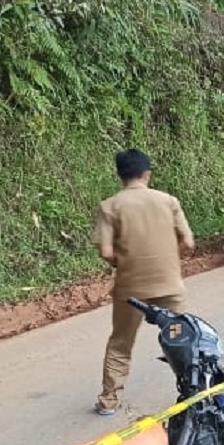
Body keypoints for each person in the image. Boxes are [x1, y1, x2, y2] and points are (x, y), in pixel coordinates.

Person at [92, 149, 196, 416]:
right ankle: (192, 393)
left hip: (130, 289)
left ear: (120, 175)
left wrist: (123, 263)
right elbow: (188, 242)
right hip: (169, 285)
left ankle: (108, 400)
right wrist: (169, 260)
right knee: (180, 338)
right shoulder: (168, 201)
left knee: (121, 342)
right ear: (147, 173)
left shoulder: (110, 206)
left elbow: (105, 251)